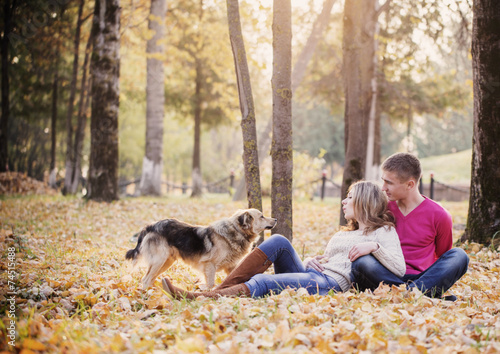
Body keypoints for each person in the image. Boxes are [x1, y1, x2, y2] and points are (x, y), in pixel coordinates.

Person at [161, 181, 406, 299]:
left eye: (349, 197)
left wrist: (374, 246)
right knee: (278, 240)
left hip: (330, 284)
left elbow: (399, 268)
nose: (343, 201)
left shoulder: (382, 232)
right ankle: (219, 291)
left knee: (262, 281)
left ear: (364, 202)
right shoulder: (344, 233)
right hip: (315, 275)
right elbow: (328, 259)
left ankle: (205, 297)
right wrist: (311, 259)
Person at [351, 152, 469, 301]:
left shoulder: (440, 215)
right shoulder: (382, 209)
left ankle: (408, 294)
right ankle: (418, 296)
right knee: (362, 262)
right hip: (385, 273)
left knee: (459, 256)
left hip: (423, 278)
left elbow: (442, 254)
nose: (383, 188)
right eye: (383, 181)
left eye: (389, 183)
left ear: (410, 184)